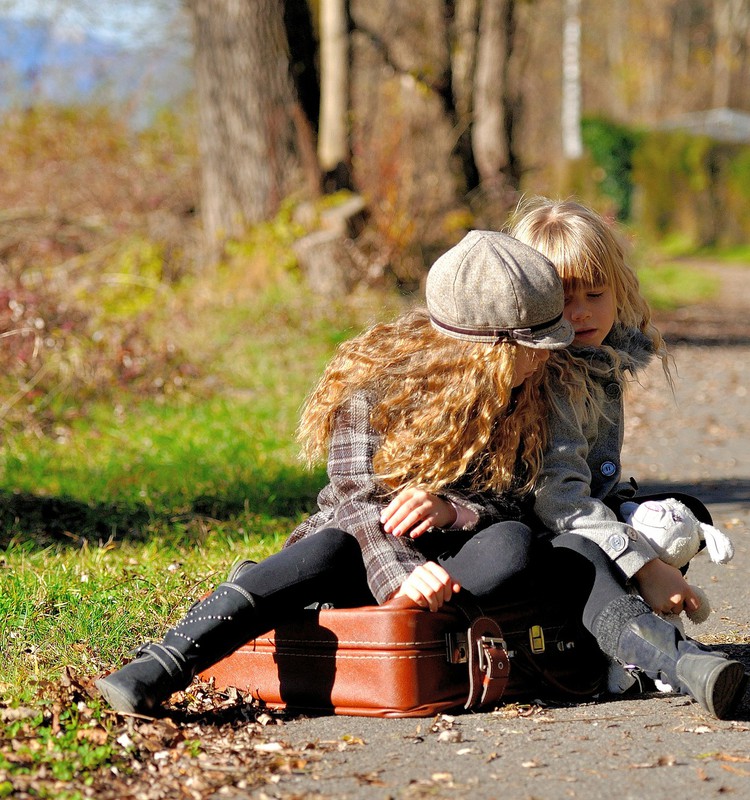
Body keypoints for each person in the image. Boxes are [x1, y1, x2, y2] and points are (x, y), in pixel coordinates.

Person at [95, 230, 575, 717]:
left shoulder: (526, 393)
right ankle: (160, 665)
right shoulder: (375, 388)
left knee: (513, 540)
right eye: (533, 345)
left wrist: (453, 511)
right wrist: (405, 578)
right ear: (486, 347)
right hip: (358, 551)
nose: (544, 356)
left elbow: (516, 499)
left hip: (451, 567)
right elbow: (357, 503)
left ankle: (396, 632)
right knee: (331, 546)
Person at [507, 197, 747, 719]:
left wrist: (638, 515)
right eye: (564, 299)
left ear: (619, 289)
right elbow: (559, 497)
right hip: (532, 534)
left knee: (677, 511)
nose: (582, 313)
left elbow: (597, 482)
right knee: (589, 554)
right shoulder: (549, 376)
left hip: (571, 521)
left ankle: (644, 644)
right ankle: (679, 664)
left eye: (596, 294)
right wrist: (644, 563)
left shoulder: (598, 363)